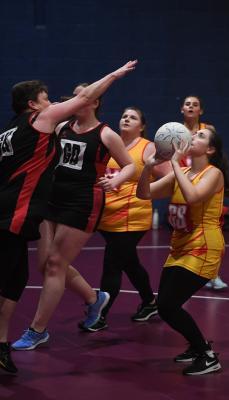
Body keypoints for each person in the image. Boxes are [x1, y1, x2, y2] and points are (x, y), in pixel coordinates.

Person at [0, 59, 137, 370]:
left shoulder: (106, 134)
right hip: (50, 199)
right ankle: (94, 299)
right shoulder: (58, 126)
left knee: (55, 265)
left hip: (82, 201)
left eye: (81, 95)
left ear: (93, 100)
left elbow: (129, 165)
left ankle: (37, 330)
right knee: (46, 263)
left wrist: (116, 179)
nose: (70, 99)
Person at [136, 125, 229, 375]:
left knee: (168, 306)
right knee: (168, 305)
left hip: (204, 247)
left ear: (210, 149)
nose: (193, 136)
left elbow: (192, 197)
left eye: (200, 136)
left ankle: (207, 355)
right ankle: (196, 345)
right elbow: (143, 193)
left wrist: (175, 164)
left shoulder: (214, 174)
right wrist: (148, 167)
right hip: (180, 247)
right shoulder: (184, 172)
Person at [78, 106, 171, 332]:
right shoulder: (112, 142)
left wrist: (144, 190)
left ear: (142, 126)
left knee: (112, 264)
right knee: (129, 263)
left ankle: (99, 315)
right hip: (106, 215)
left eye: (133, 117)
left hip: (132, 216)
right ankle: (150, 302)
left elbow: (169, 177)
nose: (127, 119)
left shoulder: (148, 147)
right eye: (124, 116)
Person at [180, 95, 228, 290]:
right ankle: (182, 271)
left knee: (210, 226)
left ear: (201, 111)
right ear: (182, 109)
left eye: (195, 104)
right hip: (184, 178)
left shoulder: (208, 131)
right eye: (187, 104)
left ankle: (212, 273)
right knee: (184, 226)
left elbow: (217, 157)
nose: (191, 107)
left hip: (202, 180)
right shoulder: (175, 131)